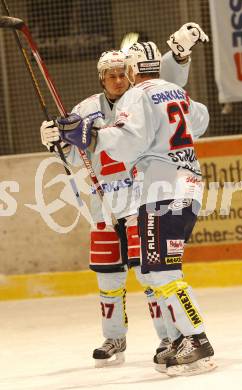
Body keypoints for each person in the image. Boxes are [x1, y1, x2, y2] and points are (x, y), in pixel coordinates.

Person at [41, 23, 210, 370]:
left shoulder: (138, 96)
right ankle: (171, 338)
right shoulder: (160, 93)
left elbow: (127, 141)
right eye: (111, 75)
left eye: (123, 72)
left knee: (156, 273)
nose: (119, 79)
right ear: (101, 78)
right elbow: (195, 115)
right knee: (133, 273)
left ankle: (187, 337)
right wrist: (59, 143)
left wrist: (90, 136)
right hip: (139, 196)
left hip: (151, 194)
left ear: (131, 72)